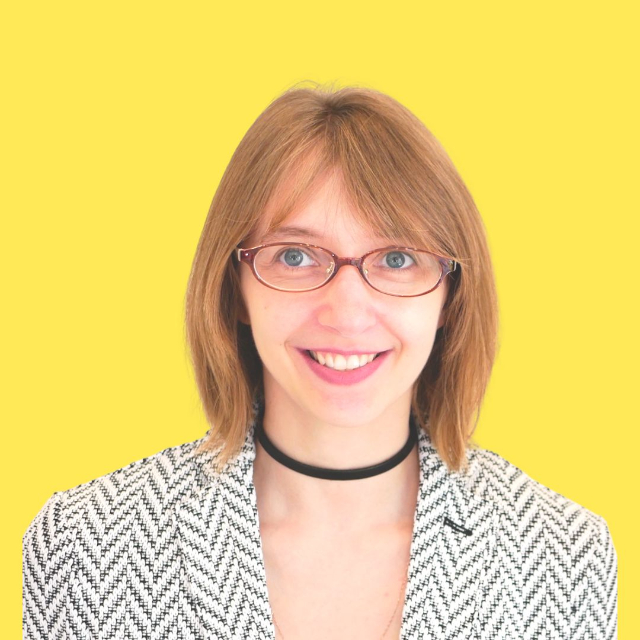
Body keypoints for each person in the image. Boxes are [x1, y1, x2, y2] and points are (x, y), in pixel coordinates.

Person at [23, 83, 618, 639]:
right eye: (295, 256)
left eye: (397, 259)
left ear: (449, 296)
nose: (347, 314)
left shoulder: (564, 557)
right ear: (235, 288)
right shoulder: (86, 546)